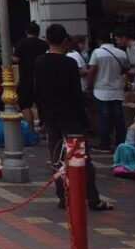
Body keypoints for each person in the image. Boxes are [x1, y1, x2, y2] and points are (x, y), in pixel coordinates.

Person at [35, 24, 114, 211]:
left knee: (57, 157)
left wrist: (43, 117)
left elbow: (38, 91)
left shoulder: (40, 62)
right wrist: (83, 118)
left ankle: (63, 196)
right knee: (82, 157)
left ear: (47, 39)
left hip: (51, 115)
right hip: (70, 115)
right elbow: (76, 93)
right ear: (64, 40)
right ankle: (92, 198)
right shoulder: (69, 63)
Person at [87, 30, 130, 152]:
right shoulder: (121, 53)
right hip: (117, 90)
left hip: (101, 90)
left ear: (99, 41)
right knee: (118, 118)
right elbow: (126, 69)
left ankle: (105, 144)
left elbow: (92, 71)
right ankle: (120, 142)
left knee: (103, 118)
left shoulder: (97, 52)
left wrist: (89, 86)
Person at [14, 22, 48, 127]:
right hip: (42, 78)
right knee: (42, 104)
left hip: (26, 78)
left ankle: (31, 127)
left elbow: (16, 59)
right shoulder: (44, 44)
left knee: (24, 104)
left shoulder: (21, 43)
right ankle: (45, 127)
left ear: (26, 32)